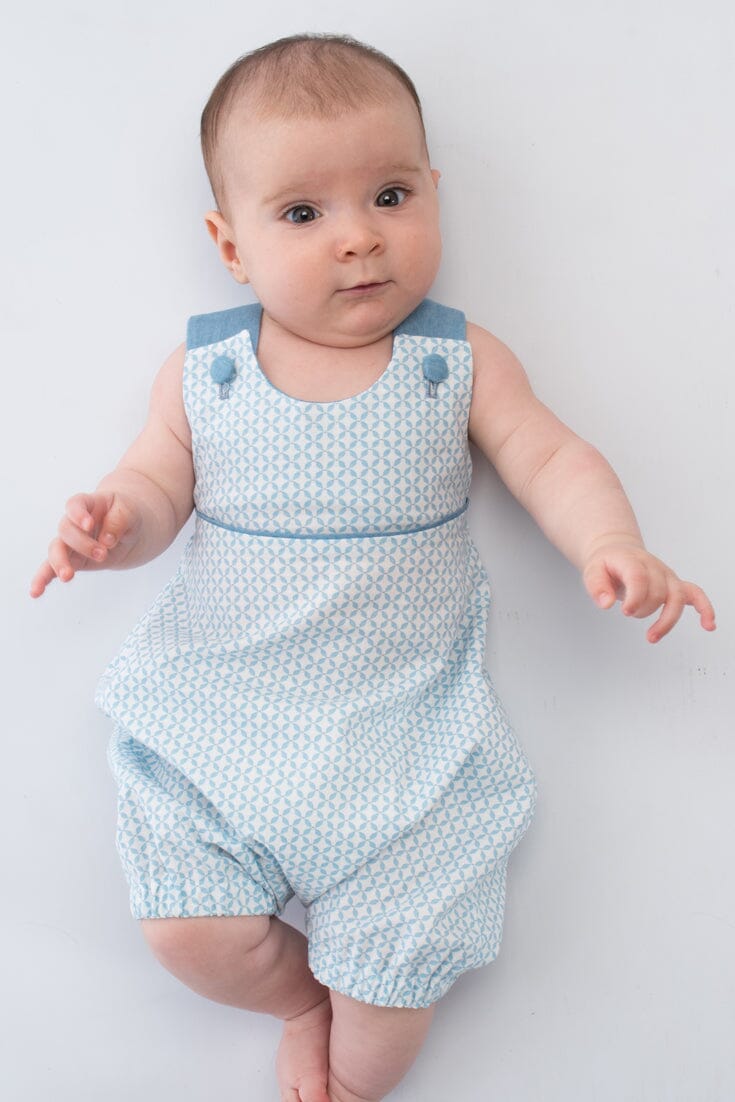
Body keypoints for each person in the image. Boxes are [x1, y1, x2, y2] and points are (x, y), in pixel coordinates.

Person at [29, 32, 716, 1102]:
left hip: (405, 747)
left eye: (391, 196)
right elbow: (157, 485)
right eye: (303, 213)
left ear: (434, 193)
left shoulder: (458, 362)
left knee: (391, 996)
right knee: (185, 931)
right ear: (230, 244)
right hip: (227, 722)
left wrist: (610, 543)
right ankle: (298, 999)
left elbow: (550, 458)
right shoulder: (204, 372)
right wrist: (116, 525)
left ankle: (350, 1077)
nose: (358, 237)